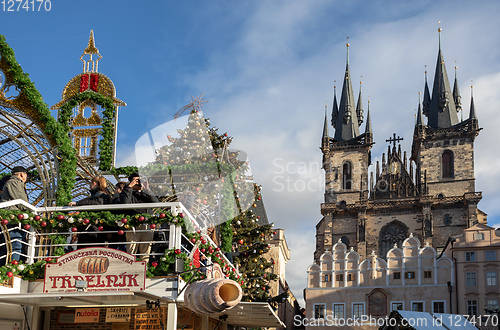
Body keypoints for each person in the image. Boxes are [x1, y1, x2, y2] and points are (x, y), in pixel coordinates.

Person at [115, 173, 157, 261]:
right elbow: (124, 203)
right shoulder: (128, 192)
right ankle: (130, 270)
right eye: (136, 180)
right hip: (133, 224)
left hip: (147, 225)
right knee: (131, 250)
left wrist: (147, 189)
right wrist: (129, 187)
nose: (138, 183)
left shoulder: (145, 194)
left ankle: (145, 270)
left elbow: (155, 203)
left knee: (146, 250)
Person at [68, 176, 111, 249]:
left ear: (94, 183)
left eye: (90, 183)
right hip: (95, 229)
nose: (89, 185)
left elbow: (96, 203)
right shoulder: (104, 194)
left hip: (91, 230)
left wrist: (78, 203)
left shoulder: (99, 195)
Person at [0, 166, 29, 264]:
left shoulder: (12, 182)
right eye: (26, 175)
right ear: (22, 174)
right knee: (15, 244)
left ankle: (7, 269)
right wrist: (30, 212)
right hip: (12, 218)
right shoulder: (14, 183)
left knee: (8, 246)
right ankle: (12, 270)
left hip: (11, 218)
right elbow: (21, 201)